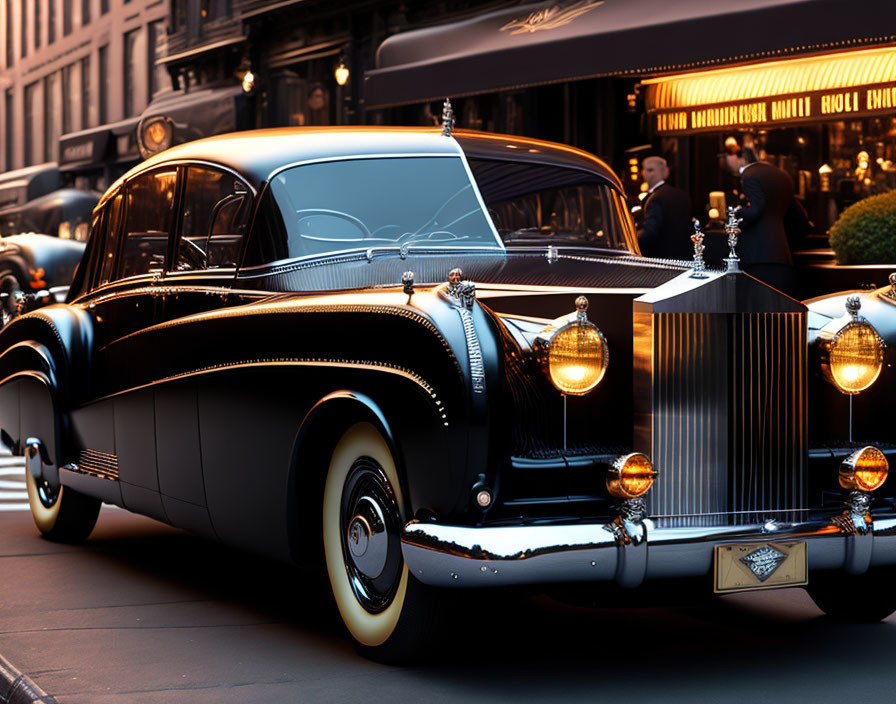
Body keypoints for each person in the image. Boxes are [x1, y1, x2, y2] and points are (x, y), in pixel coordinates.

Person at [737, 149, 802, 295]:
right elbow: (800, 219)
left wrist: (734, 214)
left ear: (741, 158)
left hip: (756, 257)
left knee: (758, 312)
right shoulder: (783, 176)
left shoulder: (749, 176)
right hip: (783, 256)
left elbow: (755, 210)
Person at [637, 156, 693, 260]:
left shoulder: (655, 198)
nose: (643, 173)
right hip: (684, 257)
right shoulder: (682, 195)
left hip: (660, 259)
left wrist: (634, 245)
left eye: (648, 169)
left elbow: (650, 231)